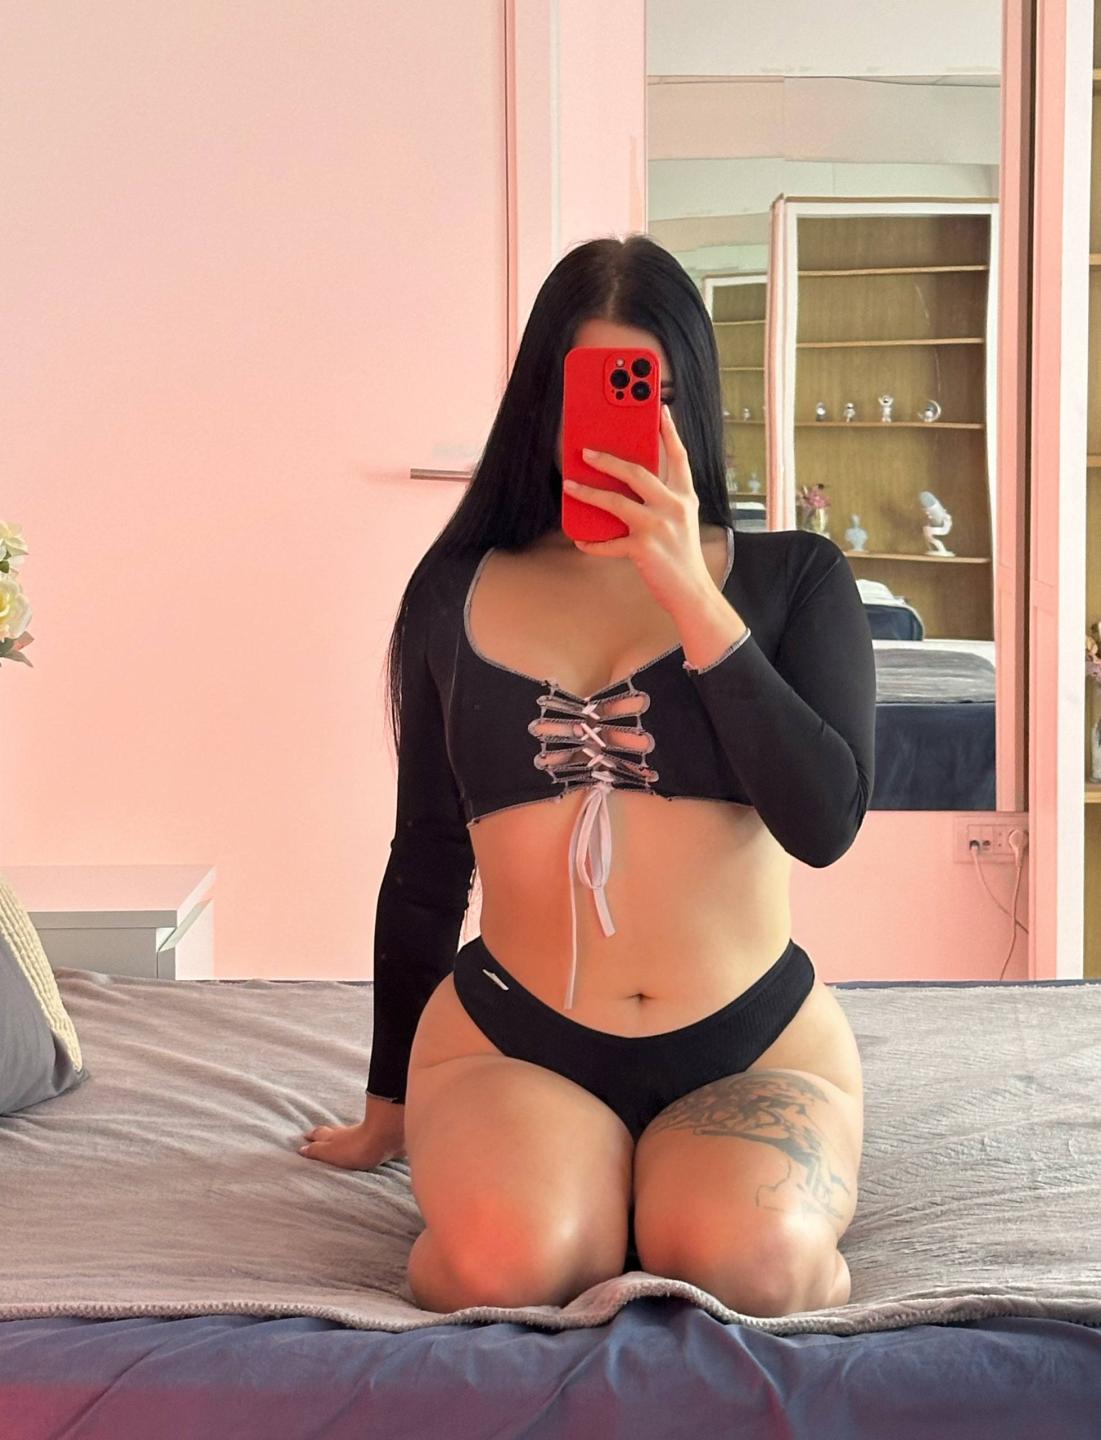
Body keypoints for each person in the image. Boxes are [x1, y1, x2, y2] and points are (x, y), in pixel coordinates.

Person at [299, 234, 876, 1319]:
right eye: (586, 392)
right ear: (540, 404)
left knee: (757, 1270)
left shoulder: (795, 577)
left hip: (751, 1047)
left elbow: (826, 821)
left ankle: (663, 1197)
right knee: (502, 1268)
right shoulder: (455, 589)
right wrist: (386, 1110)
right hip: (514, 1048)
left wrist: (690, 591)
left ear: (688, 403)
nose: (615, 425)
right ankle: (585, 1191)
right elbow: (427, 858)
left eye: (646, 392)